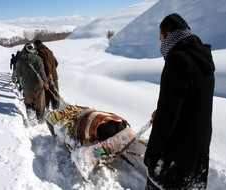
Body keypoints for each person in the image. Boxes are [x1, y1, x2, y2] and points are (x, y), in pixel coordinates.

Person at [144, 13, 215, 190]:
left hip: (176, 153)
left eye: (161, 39)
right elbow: (190, 102)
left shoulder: (177, 60)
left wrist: (151, 153)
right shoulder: (203, 57)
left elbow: (168, 115)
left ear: (169, 35)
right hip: (199, 147)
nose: (161, 45)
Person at [45, 105, 129, 146]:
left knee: (101, 127)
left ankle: (115, 129)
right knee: (104, 122)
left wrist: (54, 134)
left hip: (86, 120)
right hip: (96, 116)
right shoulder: (74, 108)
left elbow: (49, 117)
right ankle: (119, 126)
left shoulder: (61, 116)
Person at [14, 43, 49, 124]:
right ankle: (40, 121)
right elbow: (42, 73)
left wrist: (16, 77)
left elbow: (18, 74)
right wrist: (45, 82)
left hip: (27, 86)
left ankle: (31, 121)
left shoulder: (20, 60)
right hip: (38, 86)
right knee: (40, 105)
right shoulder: (38, 59)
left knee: (29, 104)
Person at [33, 40, 60, 111]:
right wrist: (53, 71)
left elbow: (46, 63)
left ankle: (49, 112)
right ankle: (57, 112)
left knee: (47, 95)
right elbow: (56, 63)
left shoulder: (41, 52)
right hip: (54, 76)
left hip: (48, 77)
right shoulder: (49, 51)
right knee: (55, 94)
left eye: (34, 46)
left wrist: (48, 74)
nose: (34, 47)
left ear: (37, 45)